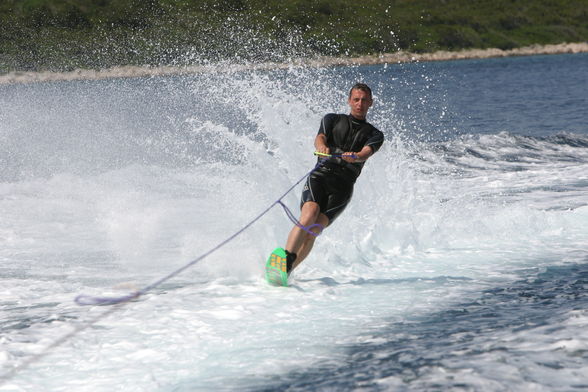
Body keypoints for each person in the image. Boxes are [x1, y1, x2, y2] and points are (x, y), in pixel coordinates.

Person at [279, 83, 385, 277]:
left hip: (342, 187)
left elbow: (365, 153)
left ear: (371, 103)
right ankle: (286, 258)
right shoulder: (332, 119)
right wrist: (322, 147)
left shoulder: (375, 134)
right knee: (309, 214)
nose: (359, 103)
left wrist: (355, 156)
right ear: (349, 101)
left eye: (364, 100)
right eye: (356, 99)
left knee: (315, 229)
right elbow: (320, 137)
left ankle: (287, 271)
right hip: (320, 176)